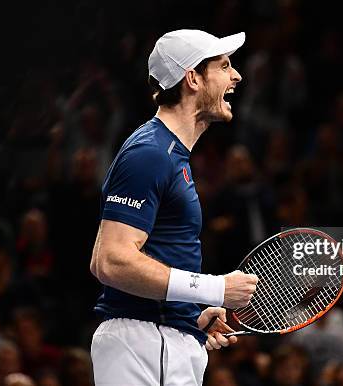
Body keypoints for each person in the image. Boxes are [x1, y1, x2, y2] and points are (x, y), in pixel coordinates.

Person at [89, 29, 258, 386]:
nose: (236, 76)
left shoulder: (170, 155)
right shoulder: (149, 153)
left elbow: (149, 260)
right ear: (192, 78)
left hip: (161, 337)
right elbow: (110, 261)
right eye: (224, 66)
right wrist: (214, 288)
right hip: (146, 344)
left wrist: (188, 316)